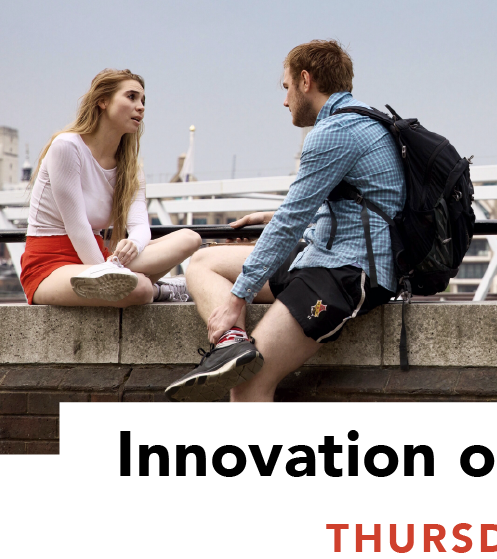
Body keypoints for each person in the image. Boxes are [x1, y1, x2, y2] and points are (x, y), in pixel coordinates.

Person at [164, 40, 403, 402]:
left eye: (286, 87)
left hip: (346, 272)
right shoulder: (365, 119)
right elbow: (355, 206)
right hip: (323, 256)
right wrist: (274, 215)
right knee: (203, 261)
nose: (285, 100)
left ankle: (238, 366)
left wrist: (236, 300)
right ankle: (232, 345)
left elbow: (290, 224)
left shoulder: (334, 132)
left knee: (248, 385)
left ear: (306, 81)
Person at [20, 68, 201, 307]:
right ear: (103, 101)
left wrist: (133, 244)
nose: (141, 107)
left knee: (190, 238)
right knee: (140, 288)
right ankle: (160, 289)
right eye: (131, 97)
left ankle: (134, 283)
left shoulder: (131, 167)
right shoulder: (67, 146)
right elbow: (78, 227)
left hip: (102, 258)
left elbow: (140, 226)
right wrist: (108, 272)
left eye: (143, 101)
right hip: (51, 266)